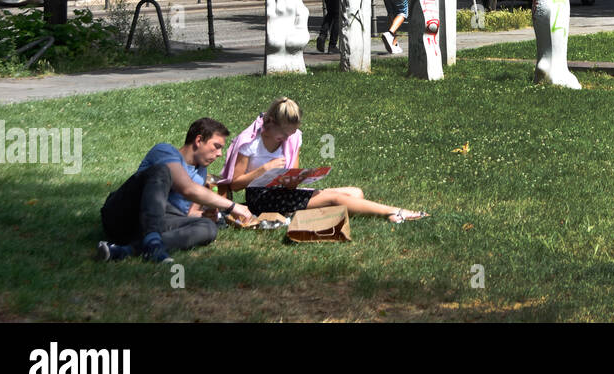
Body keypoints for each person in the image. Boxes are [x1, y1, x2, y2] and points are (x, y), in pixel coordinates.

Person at [220, 97, 425, 223]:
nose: (287, 140)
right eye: (283, 135)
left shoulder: (293, 138)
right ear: (270, 124)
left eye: (291, 135)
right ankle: (395, 212)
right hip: (261, 199)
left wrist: (296, 179)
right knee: (336, 200)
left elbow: (293, 175)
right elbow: (235, 185)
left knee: (355, 193)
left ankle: (298, 213)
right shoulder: (250, 143)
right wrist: (263, 170)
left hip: (283, 193)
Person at [97, 118, 251, 264]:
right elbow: (187, 189)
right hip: (123, 215)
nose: (219, 154)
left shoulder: (201, 173)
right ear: (198, 140)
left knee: (208, 228)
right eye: (217, 146)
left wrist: (205, 215)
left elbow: (187, 213)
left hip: (149, 227)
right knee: (161, 171)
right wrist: (232, 206)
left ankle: (128, 250)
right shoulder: (165, 151)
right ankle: (151, 240)